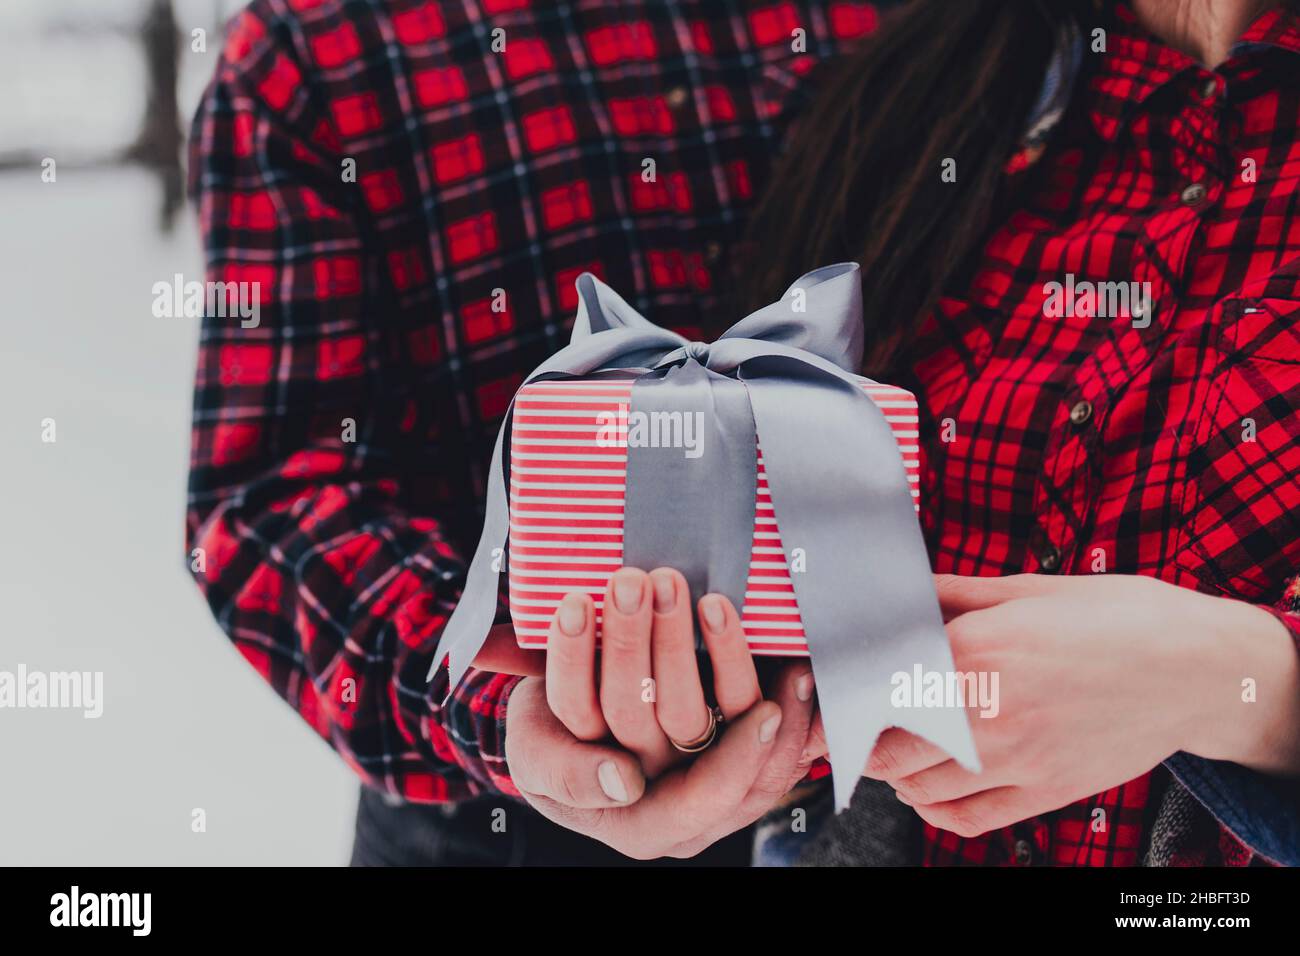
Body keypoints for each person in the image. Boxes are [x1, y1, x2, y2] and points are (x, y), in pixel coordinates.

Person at [187, 0, 1300, 866]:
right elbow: (275, 496)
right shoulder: (320, 55)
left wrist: (1235, 680)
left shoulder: (934, 57)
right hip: (503, 820)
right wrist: (516, 708)